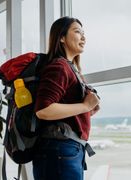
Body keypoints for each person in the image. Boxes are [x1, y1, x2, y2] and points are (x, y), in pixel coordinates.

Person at [33, 16, 100, 180]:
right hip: (60, 150)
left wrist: (88, 109)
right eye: (77, 32)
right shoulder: (59, 67)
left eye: (84, 33)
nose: (83, 37)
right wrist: (85, 106)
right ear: (61, 37)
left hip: (66, 150)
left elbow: (62, 111)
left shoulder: (70, 68)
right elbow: (43, 110)